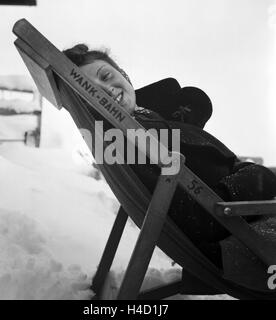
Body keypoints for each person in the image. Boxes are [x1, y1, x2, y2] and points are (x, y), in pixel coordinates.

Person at [63, 44, 276, 269]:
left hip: (240, 214)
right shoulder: (130, 143)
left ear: (123, 74)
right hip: (237, 236)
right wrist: (256, 175)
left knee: (190, 97)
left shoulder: (124, 133)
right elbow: (203, 219)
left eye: (106, 76)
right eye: (90, 93)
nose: (105, 90)